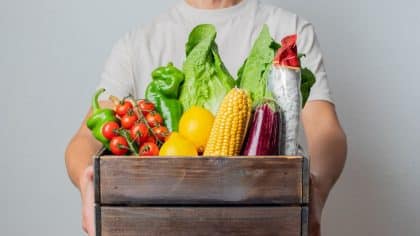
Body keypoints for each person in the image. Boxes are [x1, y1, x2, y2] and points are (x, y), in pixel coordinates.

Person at [65, 0, 347, 235]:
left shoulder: (290, 29)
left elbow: (325, 130)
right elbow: (85, 139)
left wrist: (317, 191)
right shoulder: (138, 43)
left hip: (260, 222)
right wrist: (86, 184)